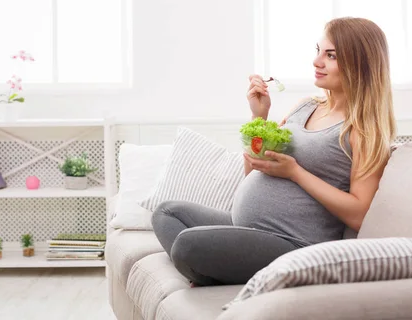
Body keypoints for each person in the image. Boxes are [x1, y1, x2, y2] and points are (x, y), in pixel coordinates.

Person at [152, 17, 397, 287]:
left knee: (188, 245)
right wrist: (260, 116)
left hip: (294, 245)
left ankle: (210, 269)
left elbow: (360, 214)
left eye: (331, 56)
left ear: (359, 64)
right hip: (245, 228)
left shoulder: (362, 129)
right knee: (166, 213)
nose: (317, 62)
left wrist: (295, 173)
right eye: (318, 51)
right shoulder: (305, 106)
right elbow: (254, 171)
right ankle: (216, 269)